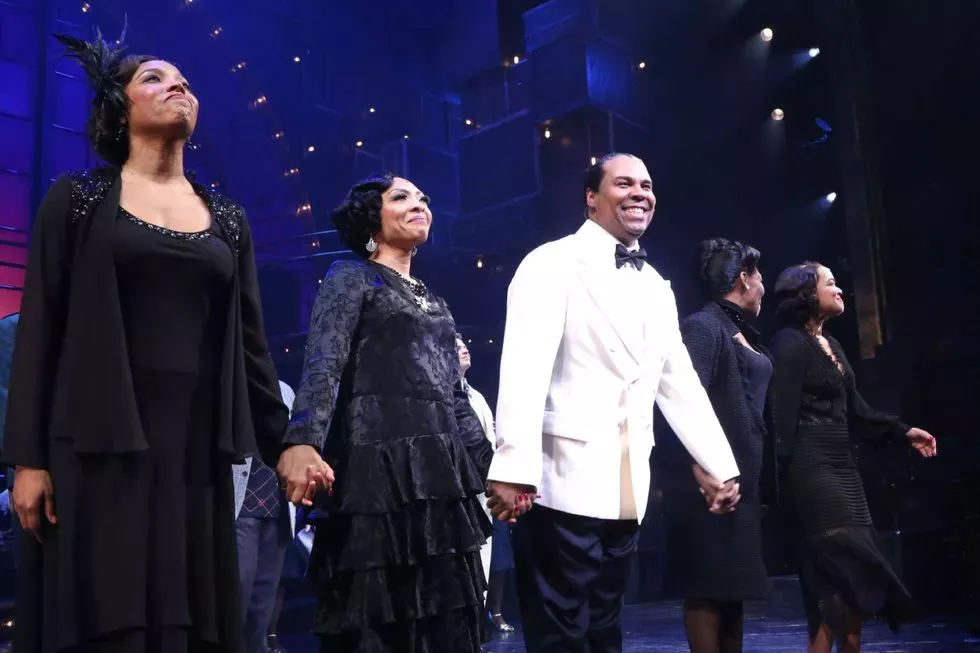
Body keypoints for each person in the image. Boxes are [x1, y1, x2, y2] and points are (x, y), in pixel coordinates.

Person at [1, 34, 288, 653]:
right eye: (154, 78)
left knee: (187, 615)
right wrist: (27, 460)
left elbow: (251, 347)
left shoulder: (228, 218)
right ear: (118, 108)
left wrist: (291, 445)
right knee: (106, 613)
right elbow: (40, 329)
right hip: (95, 444)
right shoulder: (77, 199)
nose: (178, 85)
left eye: (184, 80)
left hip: (194, 451)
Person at [486, 153, 742, 653]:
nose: (640, 193)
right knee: (560, 634)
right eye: (624, 183)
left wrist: (719, 465)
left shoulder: (656, 285)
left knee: (605, 629)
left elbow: (678, 380)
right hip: (559, 480)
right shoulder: (551, 262)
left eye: (646, 185)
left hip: (626, 486)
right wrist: (513, 465)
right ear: (591, 197)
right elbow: (523, 368)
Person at [279, 173, 495, 653]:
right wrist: (303, 440)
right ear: (371, 220)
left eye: (424, 198)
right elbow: (324, 361)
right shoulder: (351, 275)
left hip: (439, 482)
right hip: (375, 477)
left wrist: (495, 471)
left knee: (446, 620)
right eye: (402, 197)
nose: (420, 204)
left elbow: (454, 396)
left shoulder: (435, 302)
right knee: (379, 621)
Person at [768, 262, 938, 653]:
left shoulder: (832, 345)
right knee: (833, 583)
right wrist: (777, 483)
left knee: (854, 585)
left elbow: (856, 409)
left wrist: (902, 431)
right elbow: (780, 419)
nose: (840, 289)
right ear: (807, 294)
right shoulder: (789, 344)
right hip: (812, 474)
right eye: (830, 283)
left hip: (843, 471)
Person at [657, 239, 771, 653]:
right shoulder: (703, 326)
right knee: (707, 589)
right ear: (744, 279)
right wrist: (701, 469)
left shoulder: (734, 330)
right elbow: (680, 401)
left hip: (738, 482)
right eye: (759, 276)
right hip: (708, 487)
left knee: (731, 590)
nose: (763, 286)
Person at [455, 334, 515, 635]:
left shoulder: (475, 396)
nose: (464, 348)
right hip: (463, 490)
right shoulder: (442, 397)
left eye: (464, 344)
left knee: (495, 558)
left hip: (486, 487)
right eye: (456, 347)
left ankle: (486, 615)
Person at [233, 380, 297, 653]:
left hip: (277, 508)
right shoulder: (233, 381)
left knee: (263, 603)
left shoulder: (285, 390)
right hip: (241, 504)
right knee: (238, 592)